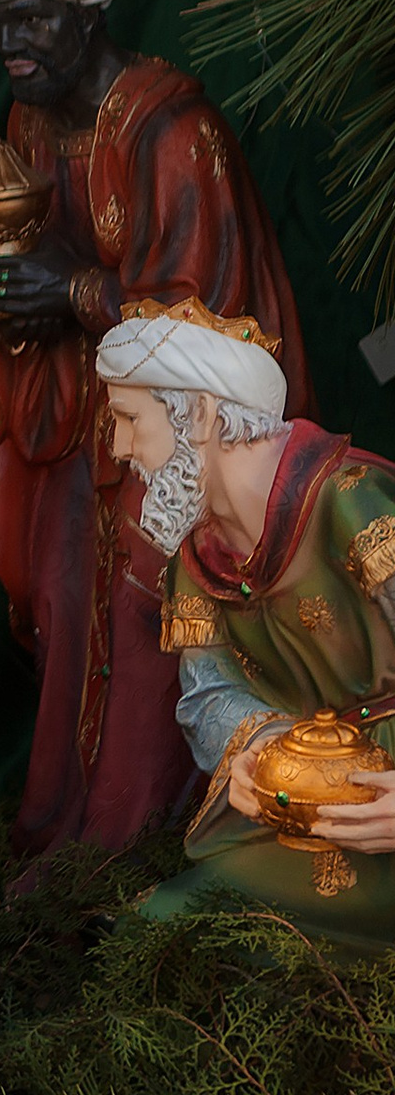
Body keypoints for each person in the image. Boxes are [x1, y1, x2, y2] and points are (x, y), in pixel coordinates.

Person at [0, 0, 308, 857]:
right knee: (68, 609)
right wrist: (7, 300)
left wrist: (68, 290)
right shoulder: (25, 129)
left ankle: (140, 849)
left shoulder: (172, 130)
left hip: (183, 448)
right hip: (85, 430)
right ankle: (67, 845)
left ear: (86, 14)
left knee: (155, 617)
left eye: (33, 21)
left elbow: (208, 319)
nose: (12, 44)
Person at [88, 302, 395, 946]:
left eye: (129, 421)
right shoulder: (196, 556)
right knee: (171, 923)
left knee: (206, 931)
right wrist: (257, 752)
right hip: (308, 808)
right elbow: (211, 693)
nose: (119, 449)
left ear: (198, 414)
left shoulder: (351, 503)